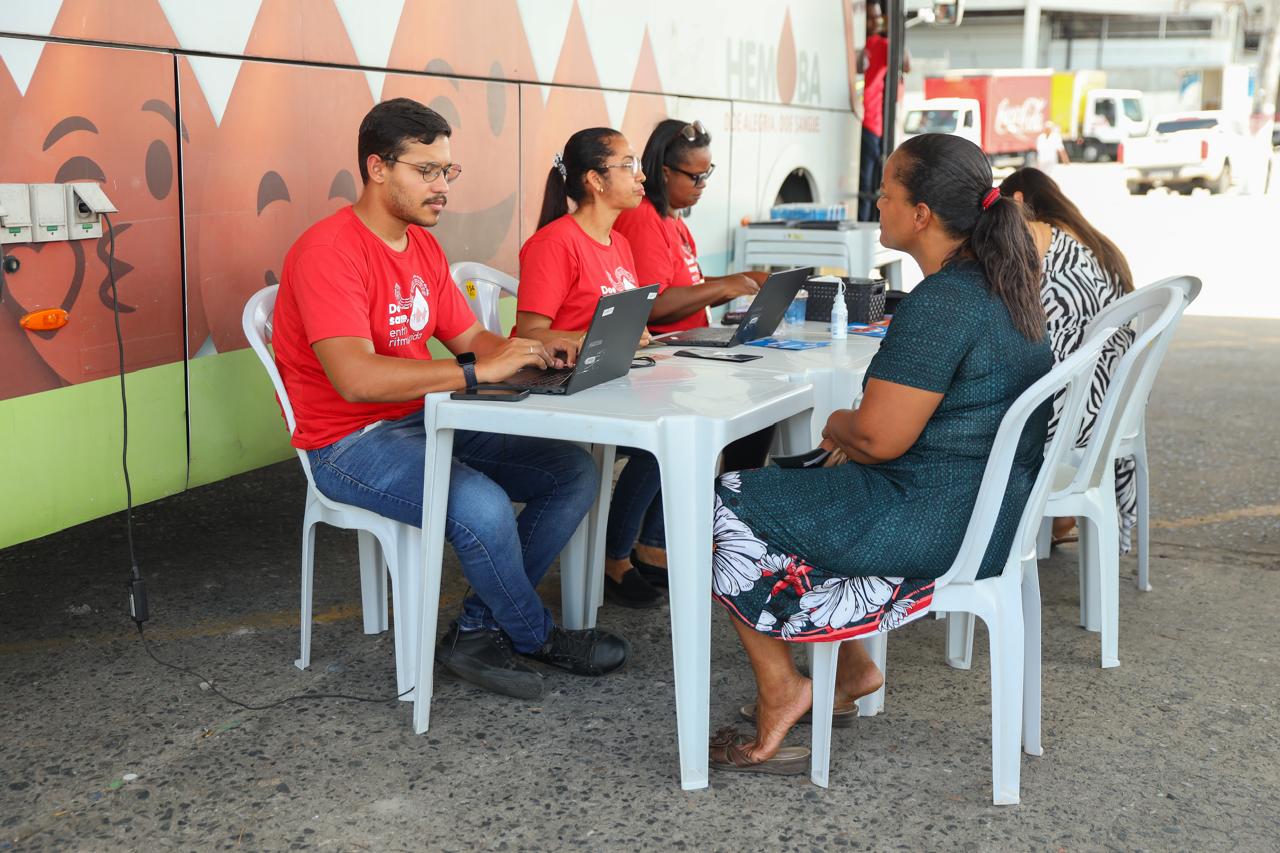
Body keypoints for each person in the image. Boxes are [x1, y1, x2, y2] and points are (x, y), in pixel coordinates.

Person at [707, 133, 1051, 775]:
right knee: (793, 485)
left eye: (887, 194)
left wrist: (836, 424)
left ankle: (785, 689)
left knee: (723, 499)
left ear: (921, 214)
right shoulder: (1004, 282)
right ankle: (853, 667)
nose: (878, 204)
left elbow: (879, 438)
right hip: (988, 508)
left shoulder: (945, 302)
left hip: (937, 518)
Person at [271, 98, 627, 702]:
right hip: (348, 442)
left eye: (447, 172)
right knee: (482, 507)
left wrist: (535, 349)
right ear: (377, 167)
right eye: (426, 171)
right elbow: (355, 379)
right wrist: (473, 371)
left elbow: (475, 340)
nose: (441, 188)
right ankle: (532, 634)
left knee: (572, 473)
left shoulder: (422, 248)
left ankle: (479, 627)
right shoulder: (329, 251)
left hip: (427, 416)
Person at [612, 118, 776, 586]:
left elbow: (689, 291)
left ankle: (682, 536)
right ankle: (635, 549)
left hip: (686, 354)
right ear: (663, 171)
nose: (703, 185)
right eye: (694, 176)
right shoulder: (643, 219)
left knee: (757, 410)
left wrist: (734, 286)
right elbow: (655, 307)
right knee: (681, 430)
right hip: (663, 357)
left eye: (708, 174)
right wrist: (724, 286)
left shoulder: (675, 224)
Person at [515, 127, 666, 609]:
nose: (641, 175)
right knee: (656, 445)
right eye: (627, 165)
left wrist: (630, 334)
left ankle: (628, 549)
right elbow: (527, 335)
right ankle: (615, 558)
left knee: (675, 429)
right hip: (566, 392)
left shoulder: (618, 244)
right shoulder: (554, 243)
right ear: (595, 181)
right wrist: (582, 340)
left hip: (609, 382)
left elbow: (614, 321)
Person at [999, 167, 1137, 549]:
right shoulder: (1095, 243)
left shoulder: (1056, 255)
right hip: (1108, 402)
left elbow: (1048, 354)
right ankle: (1059, 519)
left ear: (1019, 202)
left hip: (1079, 417)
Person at [857, 2, 911, 222]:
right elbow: (906, 63)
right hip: (862, 121)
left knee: (869, 183)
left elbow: (905, 64)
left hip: (873, 123)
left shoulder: (880, 44)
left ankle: (868, 221)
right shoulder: (868, 45)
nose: (875, 22)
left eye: (878, 18)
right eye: (870, 17)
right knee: (865, 183)